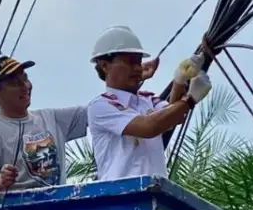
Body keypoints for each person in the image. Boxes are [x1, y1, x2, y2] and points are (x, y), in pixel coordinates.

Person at [86, 25, 211, 181]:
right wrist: (190, 99)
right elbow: (149, 127)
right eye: (130, 62)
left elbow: (172, 119)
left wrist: (179, 81)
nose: (138, 68)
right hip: (120, 197)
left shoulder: (147, 99)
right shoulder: (101, 106)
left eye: (139, 62)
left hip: (153, 193)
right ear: (105, 65)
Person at [0, 55, 87, 196]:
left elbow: (97, 112)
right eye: (13, 82)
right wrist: (0, 179)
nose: (24, 86)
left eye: (25, 78)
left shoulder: (51, 118)